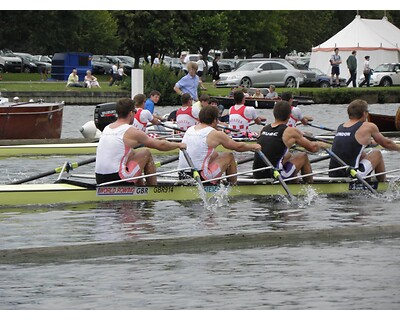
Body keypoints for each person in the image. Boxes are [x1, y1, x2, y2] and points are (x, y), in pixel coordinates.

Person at [95, 98, 185, 185]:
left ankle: (140, 187)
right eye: (135, 112)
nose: (135, 114)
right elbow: (161, 145)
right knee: (146, 153)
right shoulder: (130, 130)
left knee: (132, 153)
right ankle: (153, 191)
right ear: (131, 113)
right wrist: (178, 145)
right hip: (117, 178)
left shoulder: (107, 128)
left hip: (99, 178)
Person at [177, 105, 261, 185]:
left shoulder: (190, 129)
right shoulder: (215, 134)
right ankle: (232, 187)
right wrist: (254, 146)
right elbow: (238, 147)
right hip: (200, 177)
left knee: (214, 154)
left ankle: (217, 180)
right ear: (215, 120)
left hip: (182, 175)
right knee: (229, 156)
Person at [253, 100, 326, 183]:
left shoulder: (264, 129)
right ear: (289, 115)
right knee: (303, 156)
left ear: (274, 114)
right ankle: (309, 190)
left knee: (288, 155)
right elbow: (312, 148)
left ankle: (294, 181)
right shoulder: (290, 131)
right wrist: (320, 145)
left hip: (256, 173)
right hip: (274, 174)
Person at [328, 99, 400, 182]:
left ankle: (367, 181)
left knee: (362, 154)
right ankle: (383, 184)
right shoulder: (369, 126)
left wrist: (371, 142)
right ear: (364, 113)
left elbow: (353, 142)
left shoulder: (341, 126)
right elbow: (386, 143)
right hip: (352, 174)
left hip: (332, 173)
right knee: (377, 153)